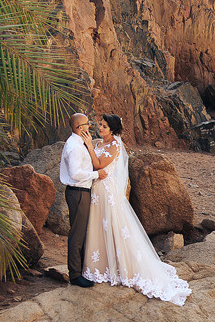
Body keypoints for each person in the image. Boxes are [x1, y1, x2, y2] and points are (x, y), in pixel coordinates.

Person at [81, 114, 192, 306]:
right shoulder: (98, 143)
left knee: (114, 228)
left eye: (104, 126)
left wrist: (89, 146)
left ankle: (123, 266)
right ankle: (101, 265)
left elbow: (99, 165)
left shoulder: (115, 146)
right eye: (100, 124)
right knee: (98, 228)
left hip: (107, 194)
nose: (100, 128)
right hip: (96, 192)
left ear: (113, 130)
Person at [59, 112, 108, 288]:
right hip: (78, 192)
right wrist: (96, 174)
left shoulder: (79, 143)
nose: (90, 126)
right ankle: (75, 275)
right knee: (77, 234)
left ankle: (80, 270)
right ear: (80, 128)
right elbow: (74, 173)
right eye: (87, 124)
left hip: (81, 191)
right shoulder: (75, 146)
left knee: (82, 232)